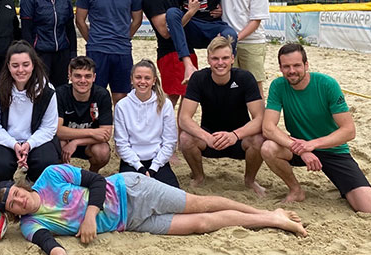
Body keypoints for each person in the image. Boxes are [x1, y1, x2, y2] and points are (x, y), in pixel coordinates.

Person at [0, 164, 307, 255]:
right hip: (131, 223)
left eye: (16, 193)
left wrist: (90, 214)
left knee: (198, 204)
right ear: (13, 213)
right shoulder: (31, 225)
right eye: (12, 205)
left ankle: (270, 217)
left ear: (20, 187)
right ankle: (273, 218)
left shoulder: (49, 176)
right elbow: (50, 245)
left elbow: (97, 181)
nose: (19, 200)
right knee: (199, 225)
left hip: (131, 189)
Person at [260, 44, 371, 213]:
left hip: (333, 149)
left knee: (369, 208)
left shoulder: (327, 84)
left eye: (296, 65)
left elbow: (349, 131)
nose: (291, 70)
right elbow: (268, 128)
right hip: (299, 147)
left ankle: (351, 185)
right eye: (286, 66)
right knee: (268, 147)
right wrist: (303, 150)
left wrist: (313, 145)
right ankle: (296, 190)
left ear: (306, 65)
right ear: (280, 68)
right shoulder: (278, 85)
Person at [177, 36, 266, 195]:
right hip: (210, 138)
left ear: (233, 59)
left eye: (225, 58)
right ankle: (199, 177)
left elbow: (260, 119)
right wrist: (206, 137)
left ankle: (250, 180)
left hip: (239, 139)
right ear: (208, 60)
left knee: (259, 138)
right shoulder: (199, 78)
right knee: (185, 137)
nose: (220, 63)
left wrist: (235, 135)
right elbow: (184, 118)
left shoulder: (245, 78)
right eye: (215, 58)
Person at [0, 41, 60, 184]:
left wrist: (29, 144)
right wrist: (14, 144)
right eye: (15, 65)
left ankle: (31, 179)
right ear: (8, 66)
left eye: (26, 64)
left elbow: (49, 128)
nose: (21, 70)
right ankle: (7, 184)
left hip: (35, 139)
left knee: (47, 161)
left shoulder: (46, 89)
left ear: (33, 65)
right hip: (5, 139)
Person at [75, 0, 143, 103]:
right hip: (97, 50)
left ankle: (119, 129)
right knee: (95, 97)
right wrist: (92, 40)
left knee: (121, 98)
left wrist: (124, 37)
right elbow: (79, 20)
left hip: (122, 51)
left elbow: (137, 20)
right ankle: (96, 129)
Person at [141, 0, 197, 103]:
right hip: (170, 54)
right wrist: (190, 13)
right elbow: (166, 32)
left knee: (189, 98)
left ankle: (181, 129)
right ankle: (159, 128)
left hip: (185, 48)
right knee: (170, 99)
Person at [113, 60, 180, 188]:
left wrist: (154, 168)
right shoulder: (122, 105)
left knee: (173, 195)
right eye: (138, 77)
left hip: (158, 161)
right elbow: (121, 144)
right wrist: (140, 168)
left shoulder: (165, 105)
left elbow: (169, 142)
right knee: (128, 197)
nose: (142, 82)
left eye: (147, 78)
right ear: (131, 80)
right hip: (132, 162)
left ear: (154, 80)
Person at [20, 0, 77, 87]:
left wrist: (73, 54)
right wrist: (30, 55)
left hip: (62, 52)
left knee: (60, 90)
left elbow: (70, 29)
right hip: (41, 53)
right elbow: (26, 31)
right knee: (41, 90)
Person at [55, 56, 113, 173]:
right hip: (67, 141)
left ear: (94, 77)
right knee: (57, 145)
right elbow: (57, 131)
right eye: (77, 76)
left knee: (102, 151)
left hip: (89, 143)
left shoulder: (102, 95)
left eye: (87, 76)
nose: (83, 80)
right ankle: (63, 175)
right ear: (70, 76)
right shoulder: (60, 93)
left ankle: (92, 173)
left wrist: (76, 142)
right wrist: (92, 132)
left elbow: (106, 134)